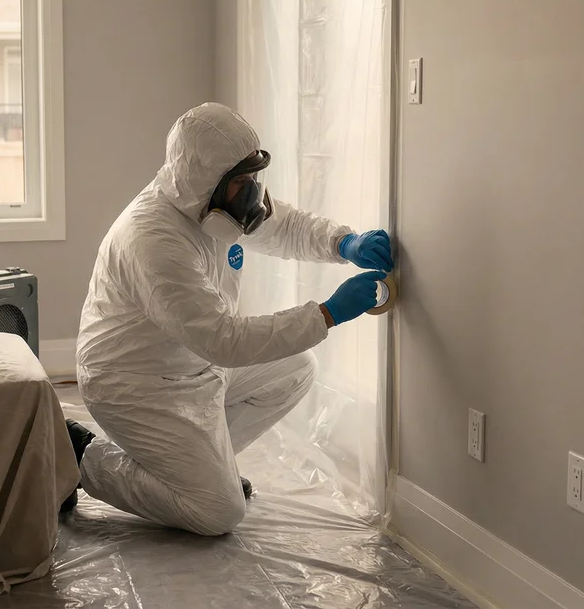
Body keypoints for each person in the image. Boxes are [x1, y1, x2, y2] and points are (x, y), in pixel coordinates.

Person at [63, 102, 394, 536]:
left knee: (294, 369)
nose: (253, 192)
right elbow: (222, 339)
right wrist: (327, 314)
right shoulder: (153, 239)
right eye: (242, 181)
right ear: (206, 181)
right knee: (218, 515)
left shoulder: (216, 200)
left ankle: (196, 476)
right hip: (135, 382)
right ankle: (81, 455)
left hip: (193, 363)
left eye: (254, 177)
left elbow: (285, 226)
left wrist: (344, 242)